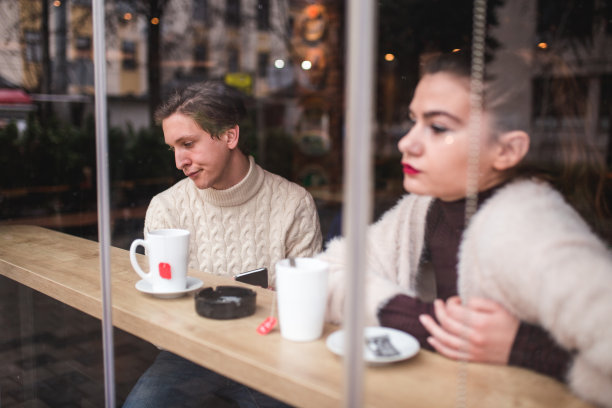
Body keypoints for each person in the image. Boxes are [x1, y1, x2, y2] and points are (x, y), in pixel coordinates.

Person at [319, 50, 612, 408]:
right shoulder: (428, 205)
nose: (406, 142)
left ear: (507, 151)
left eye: (438, 127)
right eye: (413, 121)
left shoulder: (526, 224)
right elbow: (331, 271)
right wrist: (419, 320)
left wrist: (522, 346)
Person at [124, 81, 322, 408]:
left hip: (267, 351)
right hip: (188, 353)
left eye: (188, 143)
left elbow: (311, 304)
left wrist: (285, 303)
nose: (179, 161)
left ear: (230, 136)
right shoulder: (166, 207)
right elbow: (158, 309)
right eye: (173, 148)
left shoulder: (293, 203)